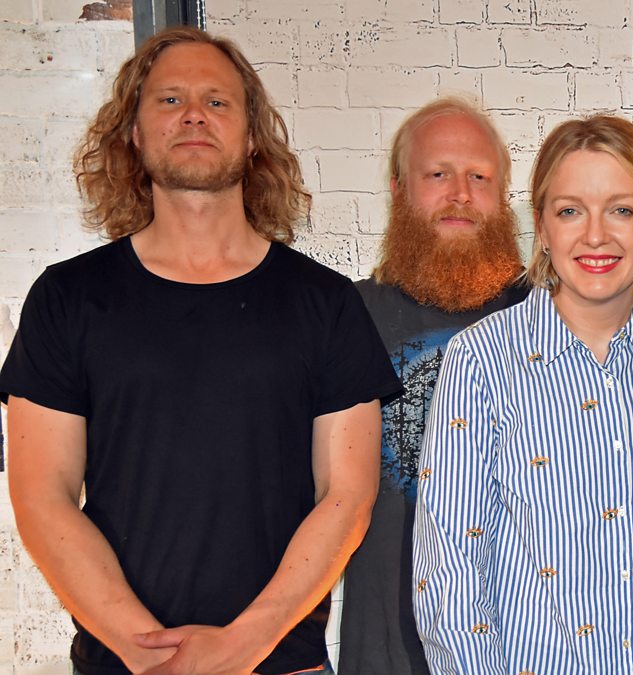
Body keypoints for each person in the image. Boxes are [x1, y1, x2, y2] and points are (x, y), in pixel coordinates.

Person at [0, 27, 398, 675]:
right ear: (134, 131)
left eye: (217, 101)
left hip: (282, 664)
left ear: (251, 135)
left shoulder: (325, 303)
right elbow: (42, 497)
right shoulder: (66, 298)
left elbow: (347, 497)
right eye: (170, 99)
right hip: (122, 664)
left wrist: (242, 645)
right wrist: (148, 650)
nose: (193, 114)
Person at [411, 115, 633, 673]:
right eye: (570, 211)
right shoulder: (480, 360)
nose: (595, 236)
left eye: (621, 210)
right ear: (542, 227)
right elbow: (448, 570)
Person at [338, 97, 527, 675]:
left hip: (524, 645)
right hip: (386, 652)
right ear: (398, 191)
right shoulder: (346, 318)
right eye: (438, 175)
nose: (461, 194)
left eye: (479, 177)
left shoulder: (553, 318)